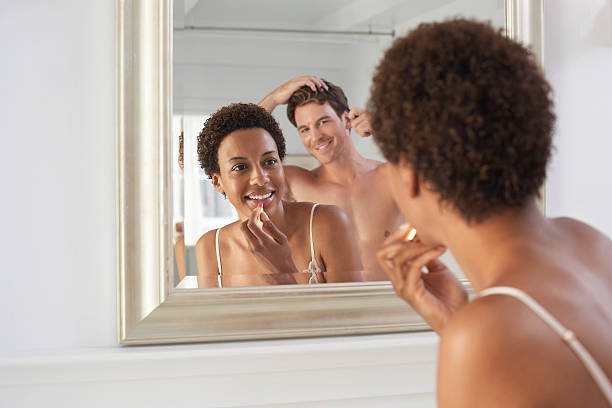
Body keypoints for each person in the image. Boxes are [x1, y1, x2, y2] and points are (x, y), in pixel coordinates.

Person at [370, 19, 612, 407]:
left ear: (411, 174)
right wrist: (458, 321)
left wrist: (470, 334)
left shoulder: (485, 337)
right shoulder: (591, 244)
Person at [195, 103, 363, 287]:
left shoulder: (327, 223)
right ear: (217, 182)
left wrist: (283, 271)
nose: (260, 179)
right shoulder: (210, 248)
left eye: (269, 162)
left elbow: (355, 306)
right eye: (240, 167)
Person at [259, 76, 404, 281]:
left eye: (323, 122)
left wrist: (388, 128)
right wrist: (274, 98)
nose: (315, 136)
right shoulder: (297, 183)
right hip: (332, 300)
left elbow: (442, 159)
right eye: (305, 129)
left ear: (346, 120)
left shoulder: (391, 176)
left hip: (394, 298)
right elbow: (242, 148)